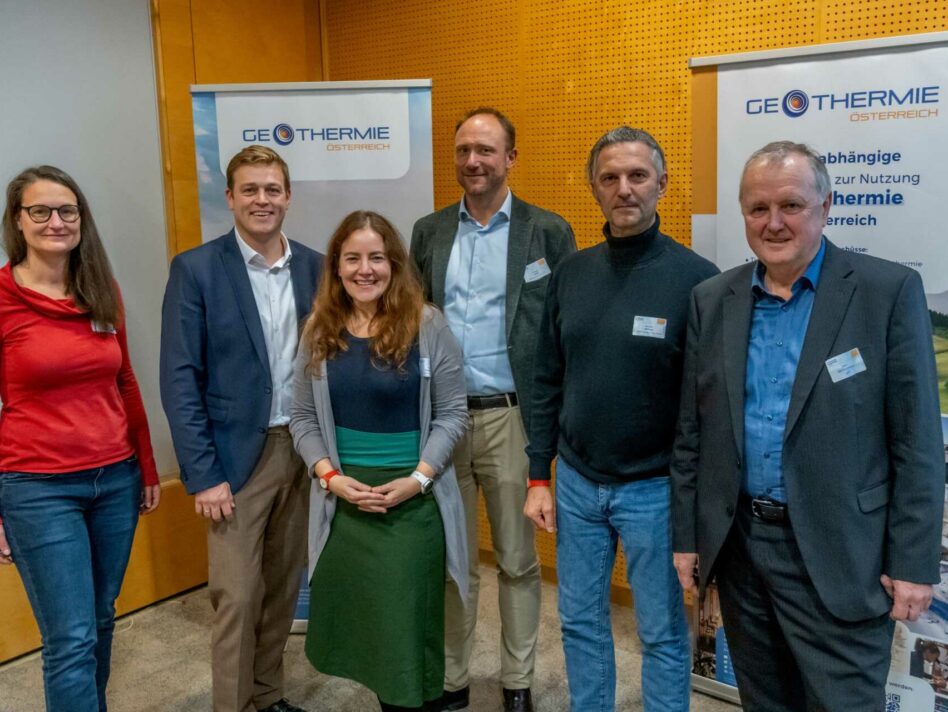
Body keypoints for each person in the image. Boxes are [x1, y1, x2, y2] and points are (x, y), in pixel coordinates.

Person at [671, 141, 944, 711]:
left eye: (791, 205)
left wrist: (913, 563)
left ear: (826, 206)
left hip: (843, 553)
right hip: (743, 551)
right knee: (765, 702)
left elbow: (918, 441)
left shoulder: (886, 291)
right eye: (757, 208)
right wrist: (687, 537)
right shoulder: (711, 299)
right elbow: (694, 434)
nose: (773, 223)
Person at [524, 127, 719, 711]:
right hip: (579, 483)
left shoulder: (697, 279)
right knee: (580, 622)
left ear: (661, 183)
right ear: (594, 189)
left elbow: (710, 404)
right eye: (610, 178)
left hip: (656, 489)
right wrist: (539, 474)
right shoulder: (571, 274)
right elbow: (545, 380)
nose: (624, 188)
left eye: (637, 176)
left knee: (660, 632)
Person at [410, 107, 575, 712]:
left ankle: (518, 682)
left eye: (485, 150)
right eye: (463, 151)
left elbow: (561, 331)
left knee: (516, 559)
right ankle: (452, 679)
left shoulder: (547, 232)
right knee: (453, 560)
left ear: (511, 157)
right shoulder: (428, 232)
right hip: (443, 419)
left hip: (513, 418)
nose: (473, 161)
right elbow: (411, 324)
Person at [160, 145, 322, 712]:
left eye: (272, 189)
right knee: (237, 598)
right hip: (233, 462)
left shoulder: (315, 266)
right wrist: (202, 474)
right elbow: (180, 378)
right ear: (229, 197)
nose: (262, 200)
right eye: (249, 190)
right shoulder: (197, 269)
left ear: (288, 197)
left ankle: (268, 695)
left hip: (300, 455)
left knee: (280, 593)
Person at [289, 210, 468, 712]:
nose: (365, 269)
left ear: (394, 263)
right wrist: (330, 479)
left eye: (377, 257)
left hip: (412, 503)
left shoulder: (427, 324)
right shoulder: (317, 329)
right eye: (352, 258)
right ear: (336, 267)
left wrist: (418, 478)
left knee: (406, 632)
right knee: (366, 634)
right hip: (344, 503)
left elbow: (453, 415)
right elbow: (302, 419)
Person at [0, 165, 161, 711]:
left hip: (114, 480)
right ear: (17, 221)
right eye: (40, 211)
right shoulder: (1, 298)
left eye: (67, 211)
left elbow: (125, 379)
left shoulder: (99, 289)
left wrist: (146, 463)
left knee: (99, 617)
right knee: (69, 639)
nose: (55, 222)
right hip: (37, 488)